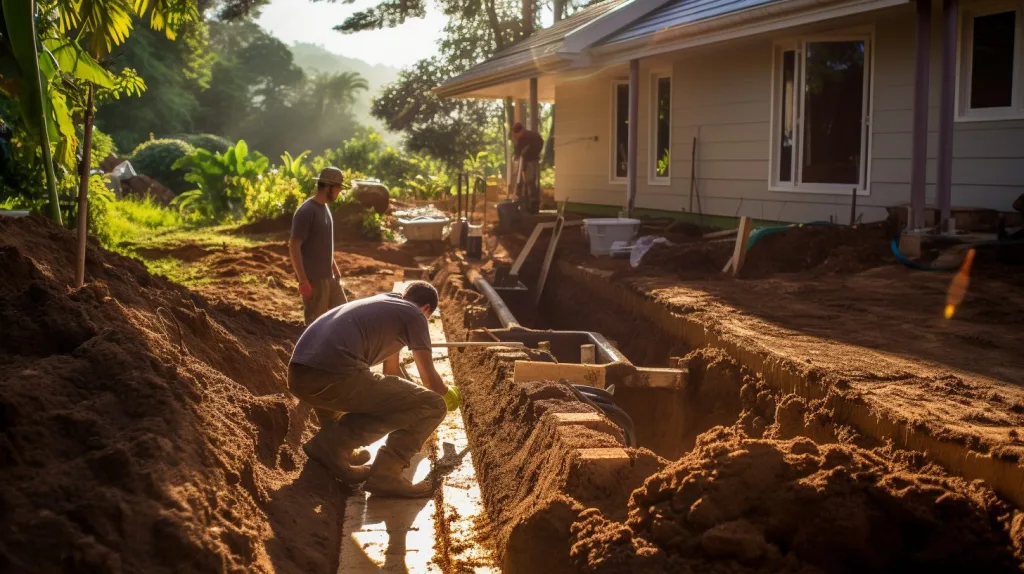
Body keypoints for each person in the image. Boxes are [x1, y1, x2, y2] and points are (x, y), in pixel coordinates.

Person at [287, 281, 462, 498]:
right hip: (332, 376)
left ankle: (335, 448)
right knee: (433, 405)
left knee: (386, 395)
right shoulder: (415, 315)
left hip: (299, 376)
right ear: (426, 309)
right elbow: (430, 382)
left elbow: (390, 373)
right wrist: (447, 395)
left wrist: (412, 396)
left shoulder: (387, 305)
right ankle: (384, 473)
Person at [290, 166, 348, 326]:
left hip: (329, 277)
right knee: (317, 325)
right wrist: (303, 280)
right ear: (329, 187)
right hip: (314, 280)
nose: (339, 192)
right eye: (338, 188)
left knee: (345, 316)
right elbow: (294, 246)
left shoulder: (325, 208)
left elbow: (323, 242)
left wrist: (333, 265)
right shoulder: (307, 211)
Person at [511, 122, 544, 214]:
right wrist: (517, 157)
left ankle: (533, 204)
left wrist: (529, 154)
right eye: (514, 134)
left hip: (531, 161)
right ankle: (522, 203)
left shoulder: (533, 136)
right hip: (523, 162)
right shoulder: (519, 139)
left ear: (521, 130)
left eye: (517, 133)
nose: (516, 136)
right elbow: (517, 151)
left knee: (530, 181)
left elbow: (539, 144)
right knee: (520, 182)